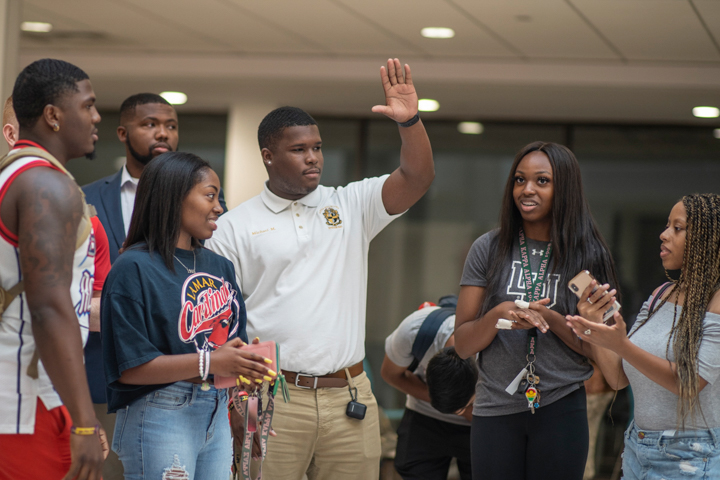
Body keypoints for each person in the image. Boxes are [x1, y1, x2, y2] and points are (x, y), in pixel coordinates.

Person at [206, 58, 434, 479]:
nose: (313, 159)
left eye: (317, 147)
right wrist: (238, 403)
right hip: (271, 396)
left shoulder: (350, 204)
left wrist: (410, 122)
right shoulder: (233, 227)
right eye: (299, 150)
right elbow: (224, 323)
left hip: (348, 395)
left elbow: (417, 177)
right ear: (268, 156)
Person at [101, 151, 274, 479]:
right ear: (173, 196)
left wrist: (247, 416)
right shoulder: (132, 268)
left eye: (219, 197)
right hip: (159, 412)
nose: (219, 207)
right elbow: (129, 368)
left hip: (217, 413)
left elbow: (233, 356)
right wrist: (210, 363)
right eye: (210, 195)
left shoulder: (220, 266)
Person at [454, 141, 620, 480]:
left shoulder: (588, 255)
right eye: (519, 179)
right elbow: (463, 343)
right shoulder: (488, 248)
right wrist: (501, 312)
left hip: (562, 406)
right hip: (495, 407)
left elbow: (603, 358)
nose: (527, 190)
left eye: (541, 180)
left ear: (564, 188)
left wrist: (553, 320)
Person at [0, 59, 105, 479]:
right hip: (23, 402)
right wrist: (84, 418)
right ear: (53, 116)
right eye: (88, 105)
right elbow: (48, 307)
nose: (96, 116)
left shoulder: (16, 173)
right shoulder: (45, 184)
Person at [567, 193, 720, 480]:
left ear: (706, 239)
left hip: (690, 454)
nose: (664, 235)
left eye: (677, 228)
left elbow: (688, 384)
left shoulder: (717, 302)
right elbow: (617, 378)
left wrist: (621, 344)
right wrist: (594, 322)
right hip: (638, 447)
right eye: (667, 226)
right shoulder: (660, 295)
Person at [83, 93, 227, 264]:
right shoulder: (87, 196)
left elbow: (215, 249)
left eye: (172, 126)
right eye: (150, 124)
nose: (163, 134)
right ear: (123, 134)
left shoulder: (205, 195)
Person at [382, 300, 477, 480]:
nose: (457, 413)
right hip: (423, 419)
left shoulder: (496, 348)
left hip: (477, 426)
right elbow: (389, 374)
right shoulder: (416, 330)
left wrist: (471, 413)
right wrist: (446, 404)